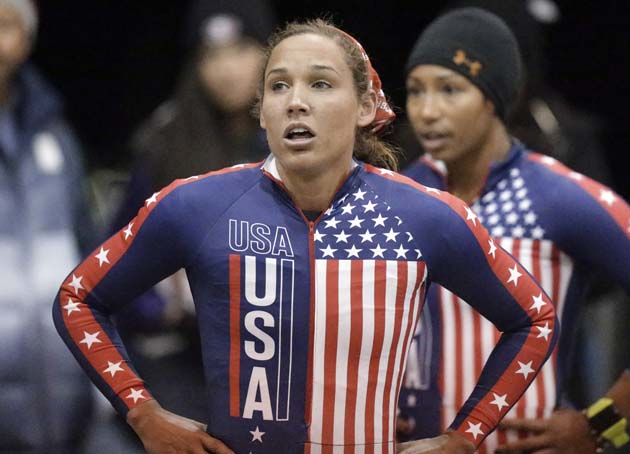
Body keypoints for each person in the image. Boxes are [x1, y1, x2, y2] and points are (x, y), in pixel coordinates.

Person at [53, 18, 558, 454]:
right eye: (278, 86)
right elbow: (78, 299)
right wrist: (143, 414)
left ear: (364, 107)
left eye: (320, 84)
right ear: (262, 110)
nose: (295, 102)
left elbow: (534, 318)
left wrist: (466, 436)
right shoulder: (195, 205)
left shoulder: (425, 216)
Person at [397, 7, 630, 453]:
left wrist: (602, 424)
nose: (427, 111)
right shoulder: (402, 193)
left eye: (450, 90)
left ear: (495, 98)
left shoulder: (553, 196)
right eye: (415, 91)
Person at [106, 0, 277, 426]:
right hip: (185, 357)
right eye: (211, 56)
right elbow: (115, 259)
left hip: (279, 353)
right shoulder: (165, 141)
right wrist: (159, 307)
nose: (226, 69)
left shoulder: (296, 134)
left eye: (241, 50)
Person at [0, 0, 95, 452]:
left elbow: (90, 253)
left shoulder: (55, 133)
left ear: (26, 37)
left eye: (3, 25)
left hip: (66, 395)